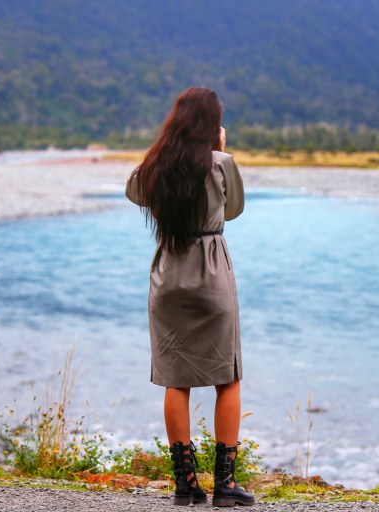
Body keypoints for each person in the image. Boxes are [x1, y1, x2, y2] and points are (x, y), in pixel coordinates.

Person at [125, 86, 254, 507]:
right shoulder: (221, 163)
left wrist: (164, 150)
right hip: (212, 272)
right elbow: (232, 210)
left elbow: (134, 192)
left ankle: (185, 485)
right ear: (212, 125)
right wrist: (220, 150)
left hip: (169, 274)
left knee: (174, 377)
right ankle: (225, 485)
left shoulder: (159, 165)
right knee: (227, 375)